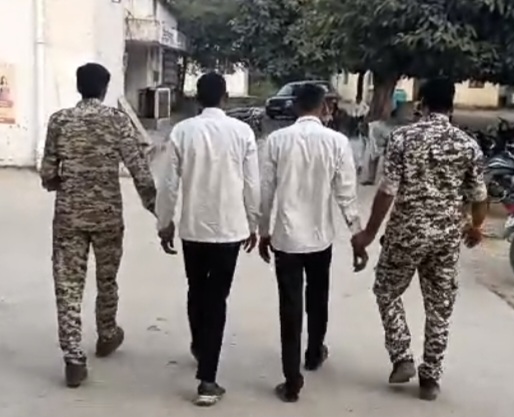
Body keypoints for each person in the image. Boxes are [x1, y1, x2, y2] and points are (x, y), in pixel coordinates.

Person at [352, 78, 488, 401]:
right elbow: (479, 196)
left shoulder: (403, 138)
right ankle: (430, 379)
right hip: (445, 237)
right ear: (451, 106)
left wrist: (368, 234)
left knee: (386, 290)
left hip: (405, 233)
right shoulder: (468, 145)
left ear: (422, 103)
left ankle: (402, 356)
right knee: (440, 307)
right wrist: (475, 226)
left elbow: (387, 191)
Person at [40, 63, 156, 388]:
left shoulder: (60, 121)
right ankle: (107, 333)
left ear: (79, 87)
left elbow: (48, 172)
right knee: (107, 279)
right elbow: (138, 168)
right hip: (107, 216)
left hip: (69, 216)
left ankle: (73, 357)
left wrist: (59, 183)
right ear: (105, 90)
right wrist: (155, 207)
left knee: (67, 285)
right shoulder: (117, 121)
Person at [258, 83, 368, 403]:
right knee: (318, 297)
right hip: (320, 239)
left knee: (289, 307)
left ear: (295, 107)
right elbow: (346, 194)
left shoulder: (277, 141)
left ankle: (291, 379)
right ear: (324, 108)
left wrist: (263, 231)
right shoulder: (337, 142)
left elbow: (266, 192)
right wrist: (357, 235)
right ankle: (314, 352)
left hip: (287, 239)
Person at [156, 72, 260, 407]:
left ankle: (201, 346)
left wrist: (164, 223)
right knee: (217, 298)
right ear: (225, 98)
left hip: (194, 228)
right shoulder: (242, 132)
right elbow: (252, 183)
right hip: (229, 229)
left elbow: (169, 184)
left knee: (196, 289)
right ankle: (207, 380)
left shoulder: (183, 131)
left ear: (197, 99)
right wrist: (253, 222)